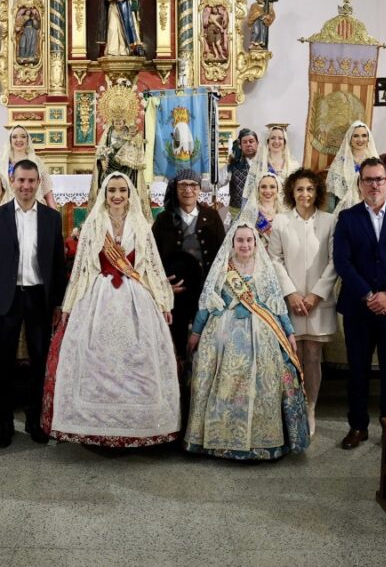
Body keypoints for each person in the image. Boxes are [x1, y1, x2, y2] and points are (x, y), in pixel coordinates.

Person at [42, 173, 179, 446]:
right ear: (104, 194)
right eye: (112, 190)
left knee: (138, 357)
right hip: (98, 295)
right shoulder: (94, 224)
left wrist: (163, 301)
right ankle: (93, 424)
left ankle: (142, 424)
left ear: (130, 195)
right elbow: (81, 268)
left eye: (122, 191)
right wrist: (69, 306)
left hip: (135, 296)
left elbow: (151, 267)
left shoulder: (141, 225)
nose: (117, 196)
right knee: (92, 354)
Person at [184, 221, 309, 460]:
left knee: (269, 375)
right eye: (240, 240)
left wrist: (290, 333)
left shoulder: (265, 269)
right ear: (232, 243)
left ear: (255, 243)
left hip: (262, 332)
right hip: (223, 331)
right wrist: (197, 332)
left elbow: (277, 305)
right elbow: (207, 303)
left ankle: (262, 441)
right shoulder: (222, 268)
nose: (245, 244)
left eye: (249, 240)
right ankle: (218, 439)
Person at [333, 158, 386, 450]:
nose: (374, 185)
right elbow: (342, 262)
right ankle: (357, 427)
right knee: (357, 370)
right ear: (360, 184)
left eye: (378, 179)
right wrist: (370, 295)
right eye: (368, 180)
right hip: (359, 307)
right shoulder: (347, 218)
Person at [0, 159, 67, 447]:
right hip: (7, 297)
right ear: (12, 182)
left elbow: (58, 265)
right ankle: (5, 423)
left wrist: (57, 304)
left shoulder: (52, 218)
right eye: (21, 181)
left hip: (39, 297)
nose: (26, 186)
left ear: (38, 182)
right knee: (4, 362)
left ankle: (33, 420)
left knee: (39, 361)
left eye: (31, 181)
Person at [268, 168, 338, 436]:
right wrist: (292, 294)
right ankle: (292, 408)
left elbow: (335, 261)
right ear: (291, 192)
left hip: (319, 302)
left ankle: (310, 408)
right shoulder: (280, 221)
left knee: (313, 356)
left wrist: (316, 294)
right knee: (294, 355)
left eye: (310, 189)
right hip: (292, 301)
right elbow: (275, 259)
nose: (305, 194)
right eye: (299, 189)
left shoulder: (331, 221)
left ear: (317, 191)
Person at [151, 169, 226, 360]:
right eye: (183, 185)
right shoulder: (163, 219)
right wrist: (163, 285)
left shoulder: (212, 216)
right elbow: (152, 258)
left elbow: (222, 255)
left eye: (193, 185)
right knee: (176, 345)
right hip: (175, 292)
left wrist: (215, 285)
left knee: (205, 345)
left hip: (205, 290)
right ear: (175, 189)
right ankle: (179, 380)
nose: (188, 190)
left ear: (200, 189)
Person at [0, 125, 57, 208]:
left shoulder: (37, 162)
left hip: (34, 207)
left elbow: (47, 191)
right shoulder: (1, 163)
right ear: (10, 140)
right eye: (14, 137)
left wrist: (55, 216)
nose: (19, 140)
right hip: (8, 208)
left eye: (23, 137)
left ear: (27, 140)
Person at [326, 120, 380, 213]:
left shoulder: (375, 163)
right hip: (343, 212)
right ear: (349, 139)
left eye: (364, 135)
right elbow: (331, 196)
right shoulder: (339, 163)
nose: (360, 140)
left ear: (368, 139)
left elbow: (381, 192)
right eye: (356, 136)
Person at [241, 124, 297, 206]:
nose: (276, 141)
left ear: (285, 142)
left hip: (286, 209)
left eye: (280, 138)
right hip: (262, 211)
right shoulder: (258, 164)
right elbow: (248, 191)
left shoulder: (293, 165)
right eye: (273, 138)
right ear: (268, 141)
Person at [240, 172, 287, 247]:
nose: (268, 191)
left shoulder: (285, 211)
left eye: (272, 187)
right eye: (263, 187)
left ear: (278, 189)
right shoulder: (250, 211)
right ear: (257, 188)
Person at [226, 128, 258, 218]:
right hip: (238, 214)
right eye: (245, 142)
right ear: (240, 145)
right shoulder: (232, 166)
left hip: (260, 213)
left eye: (251, 141)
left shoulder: (265, 165)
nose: (248, 144)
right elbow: (216, 181)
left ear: (257, 143)